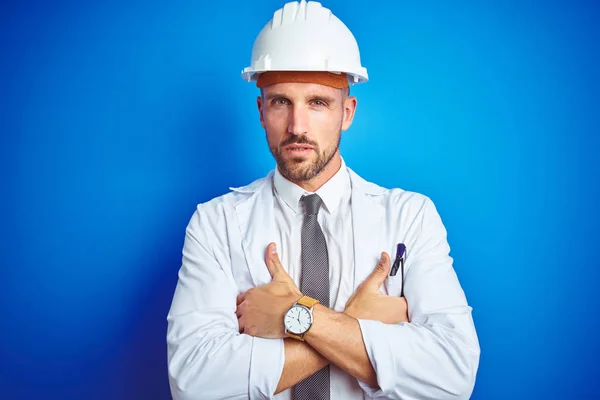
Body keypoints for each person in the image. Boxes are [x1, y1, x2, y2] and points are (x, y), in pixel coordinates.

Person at [166, 1, 480, 399]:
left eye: (318, 102)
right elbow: (193, 383)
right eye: (281, 101)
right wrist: (357, 323)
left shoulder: (410, 217)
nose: (298, 127)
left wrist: (296, 317)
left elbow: (452, 377)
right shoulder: (215, 223)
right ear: (261, 110)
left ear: (347, 112)